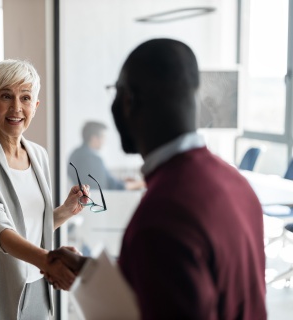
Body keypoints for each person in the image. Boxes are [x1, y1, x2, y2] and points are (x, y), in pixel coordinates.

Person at [48, 39, 267, 319]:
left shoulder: (160, 217)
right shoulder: (237, 183)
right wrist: (89, 272)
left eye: (115, 92)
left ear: (127, 101)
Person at [0, 59, 87, 320]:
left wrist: (65, 211)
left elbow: (30, 227)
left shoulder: (38, 154)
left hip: (37, 287)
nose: (16, 107)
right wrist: (48, 260)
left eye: (25, 98)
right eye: (6, 96)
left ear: (35, 106)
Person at [67, 121, 144, 190]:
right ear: (94, 138)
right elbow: (114, 186)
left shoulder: (75, 154)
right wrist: (140, 183)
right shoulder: (93, 159)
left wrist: (122, 181)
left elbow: (106, 180)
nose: (105, 141)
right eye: (103, 137)